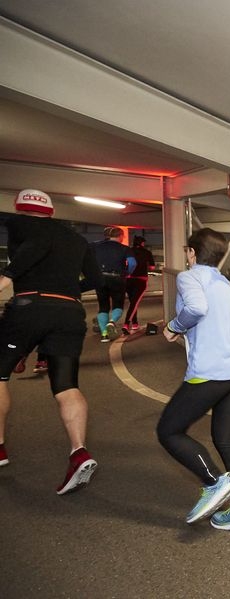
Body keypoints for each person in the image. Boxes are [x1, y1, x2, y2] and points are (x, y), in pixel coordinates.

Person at [157, 228, 230, 532]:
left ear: (192, 253)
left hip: (210, 372)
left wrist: (174, 327)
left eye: (187, 252)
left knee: (169, 431)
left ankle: (214, 482)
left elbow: (197, 308)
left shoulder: (189, 277)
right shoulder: (224, 282)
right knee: (227, 440)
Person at [0, 189, 102, 494]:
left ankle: (0, 447)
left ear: (20, 208)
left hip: (29, 306)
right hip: (70, 311)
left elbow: (37, 245)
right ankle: (79, 452)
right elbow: (96, 280)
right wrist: (67, 290)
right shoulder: (77, 239)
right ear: (51, 211)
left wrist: (6, 277)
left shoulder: (19, 224)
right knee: (66, 385)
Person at [92, 226, 136, 342]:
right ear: (120, 236)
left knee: (103, 306)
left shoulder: (96, 246)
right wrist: (127, 273)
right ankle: (111, 323)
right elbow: (132, 263)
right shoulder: (125, 248)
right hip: (117, 278)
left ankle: (104, 335)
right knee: (118, 305)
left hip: (100, 277)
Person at [122, 235, 156, 334]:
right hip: (141, 280)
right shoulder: (147, 252)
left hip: (128, 279)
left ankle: (135, 323)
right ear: (142, 243)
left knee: (132, 301)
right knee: (134, 303)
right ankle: (126, 324)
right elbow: (152, 267)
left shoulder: (128, 251)